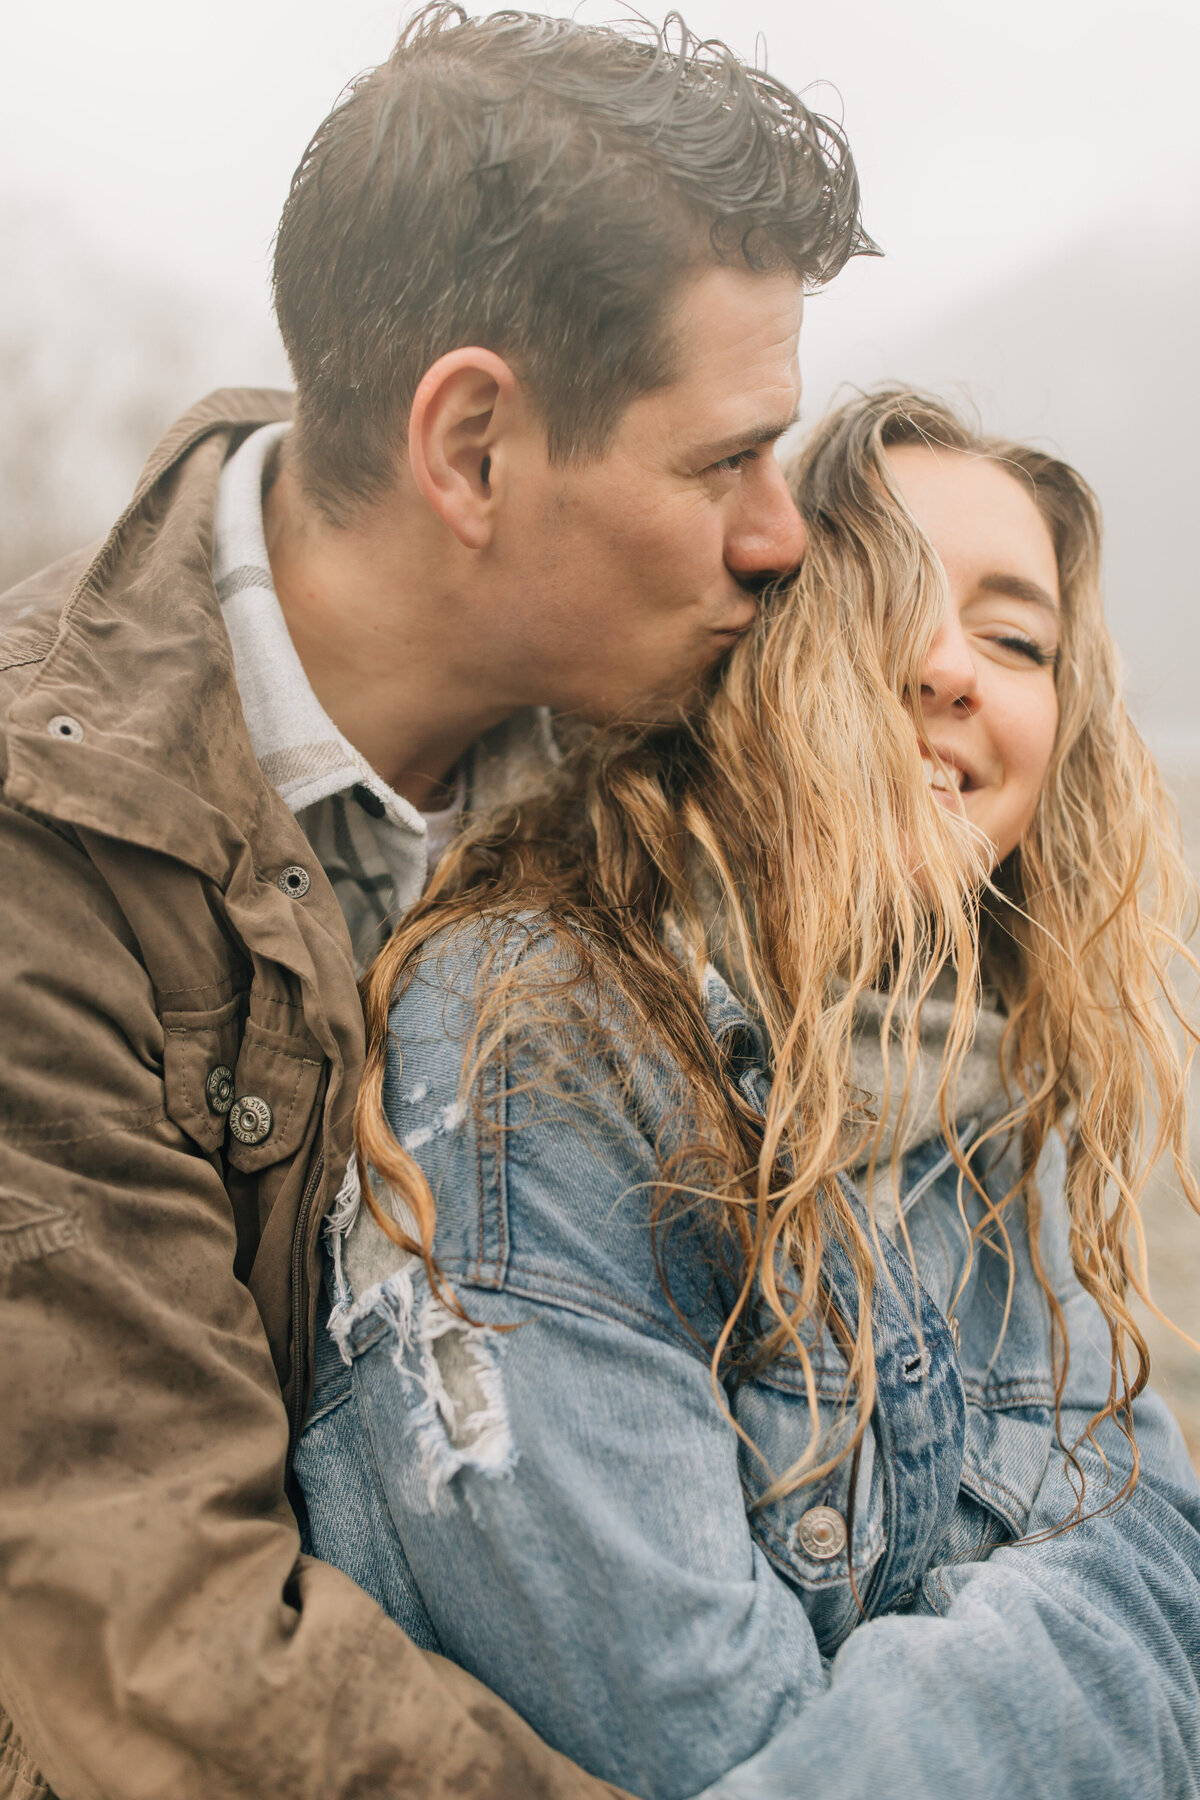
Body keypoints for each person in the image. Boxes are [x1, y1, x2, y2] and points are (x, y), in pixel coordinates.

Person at [0, 9, 874, 1797]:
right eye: (725, 461)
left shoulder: (701, 730)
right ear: (470, 448)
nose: (784, 534)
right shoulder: (44, 860)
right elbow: (162, 1639)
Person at [298, 389, 1200, 1799]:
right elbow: (686, 1743)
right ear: (738, 664)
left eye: (1019, 639)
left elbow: (1159, 1593)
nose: (954, 668)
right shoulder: (533, 1032)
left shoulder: (999, 1106)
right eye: (877, 600)